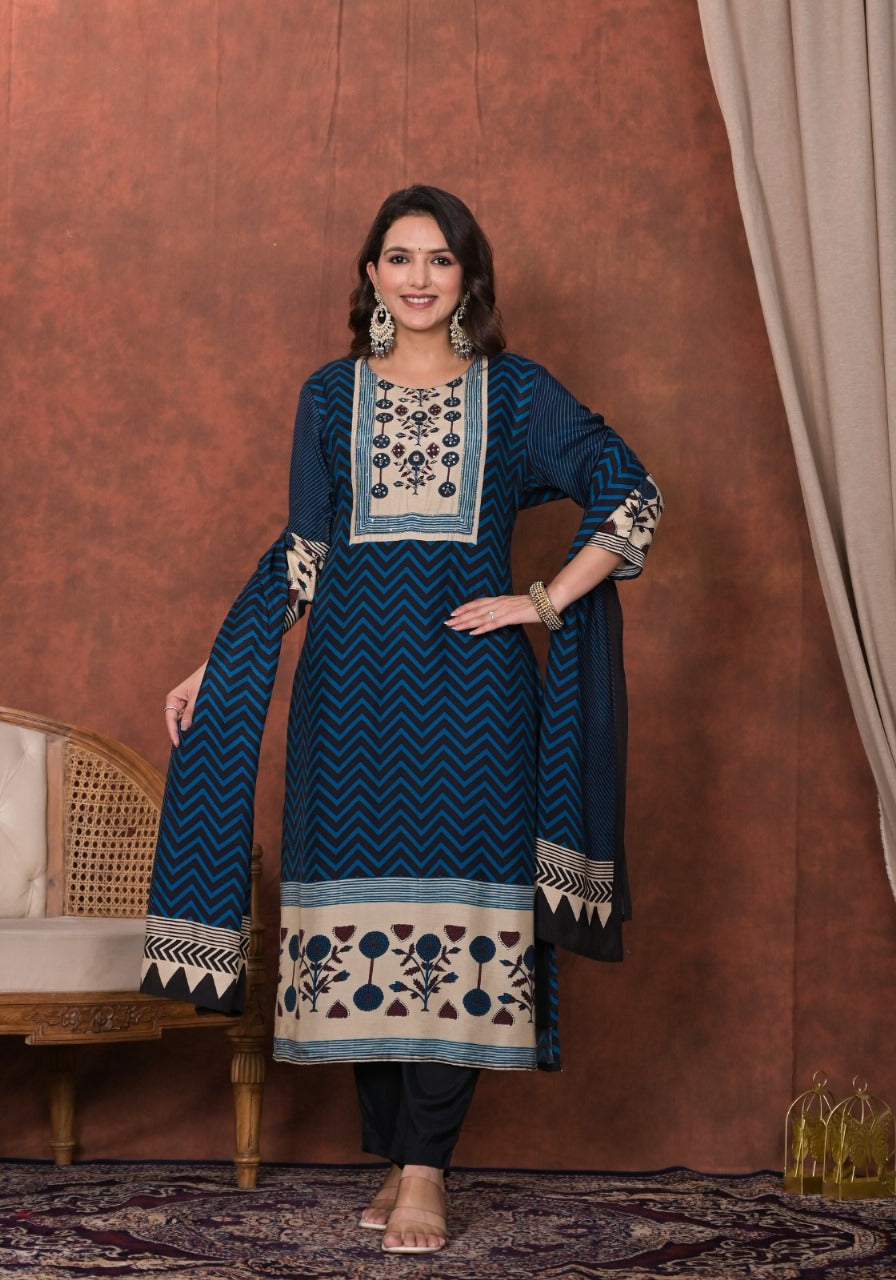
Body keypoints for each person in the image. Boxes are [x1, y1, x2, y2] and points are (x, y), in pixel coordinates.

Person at [143, 185, 662, 1255]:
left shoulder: (514, 393)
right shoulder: (329, 396)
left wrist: (543, 600)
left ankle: (427, 1165)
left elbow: (631, 492)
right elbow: (304, 548)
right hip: (346, 695)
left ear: (468, 278)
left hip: (474, 697)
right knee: (352, 918)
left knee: (464, 916)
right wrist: (221, 664)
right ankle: (394, 1150)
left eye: (440, 258)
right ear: (371, 275)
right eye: (399, 257)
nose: (419, 277)